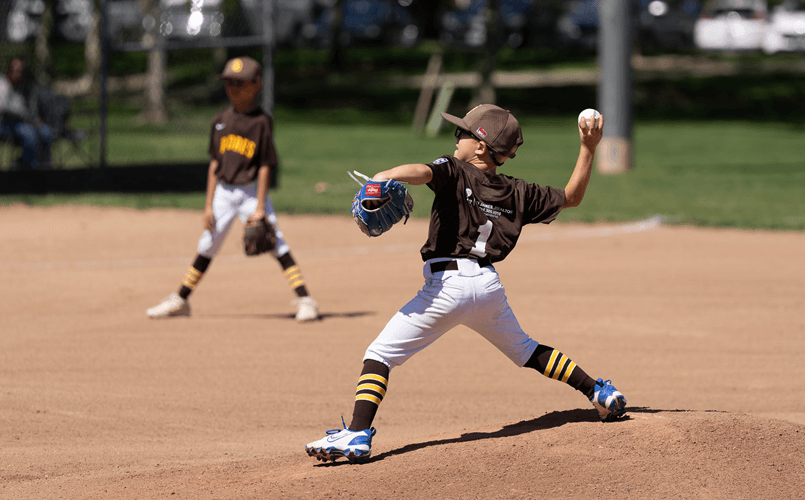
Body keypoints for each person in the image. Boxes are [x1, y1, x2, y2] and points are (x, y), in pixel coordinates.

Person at [305, 104, 626, 463]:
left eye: (464, 133)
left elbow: (422, 171)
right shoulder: (519, 191)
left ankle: (358, 434)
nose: (457, 137)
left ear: (480, 147)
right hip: (488, 288)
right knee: (526, 351)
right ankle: (598, 392)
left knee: (380, 355)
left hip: (447, 286)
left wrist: (383, 177)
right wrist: (588, 147)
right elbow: (572, 197)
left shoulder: (453, 169)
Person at [146, 56, 319, 322]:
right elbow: (214, 164)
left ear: (256, 85)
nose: (232, 88)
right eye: (228, 82)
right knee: (207, 245)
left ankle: (306, 300)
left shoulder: (261, 122)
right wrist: (207, 205)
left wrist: (260, 207)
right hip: (223, 194)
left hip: (250, 193)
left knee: (276, 242)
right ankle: (180, 300)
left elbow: (264, 166)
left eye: (239, 83)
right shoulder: (220, 120)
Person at [0, 57, 53, 169]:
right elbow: (4, 108)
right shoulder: (2, 84)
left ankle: (46, 167)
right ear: (9, 70)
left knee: (46, 132)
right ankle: (29, 169)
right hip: (5, 123)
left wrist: (35, 119)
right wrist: (25, 116)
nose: (18, 74)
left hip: (24, 122)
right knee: (29, 134)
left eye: (20, 71)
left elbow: (31, 108)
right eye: (15, 71)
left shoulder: (24, 85)